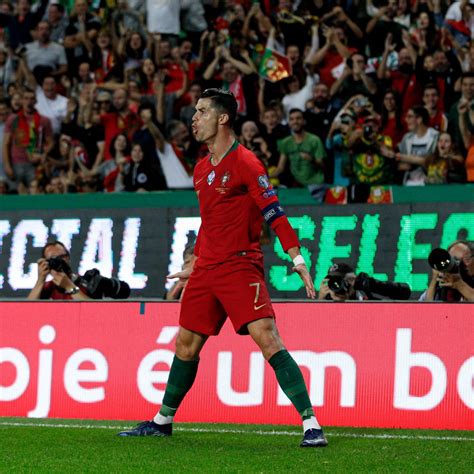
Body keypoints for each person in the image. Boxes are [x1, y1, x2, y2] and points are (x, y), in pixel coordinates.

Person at [118, 88, 328, 448]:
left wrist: (296, 258)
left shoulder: (246, 163)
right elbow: (209, 223)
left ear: (223, 118)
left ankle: (311, 423)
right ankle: (162, 420)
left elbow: (275, 214)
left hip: (239, 267)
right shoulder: (201, 169)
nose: (194, 120)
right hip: (207, 270)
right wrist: (194, 264)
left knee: (268, 338)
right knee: (185, 345)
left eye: (201, 112)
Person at [28, 240, 131, 300]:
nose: (59, 262)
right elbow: (25, 311)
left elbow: (95, 311)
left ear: (68, 258)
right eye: (52, 259)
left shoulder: (87, 282)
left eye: (61, 257)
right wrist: (40, 280)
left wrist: (69, 287)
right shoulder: (47, 288)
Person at [318, 263, 411, 301]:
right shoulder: (326, 302)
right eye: (334, 282)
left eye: (347, 280)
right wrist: (320, 301)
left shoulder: (365, 299)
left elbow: (405, 292)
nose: (338, 286)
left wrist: (372, 284)